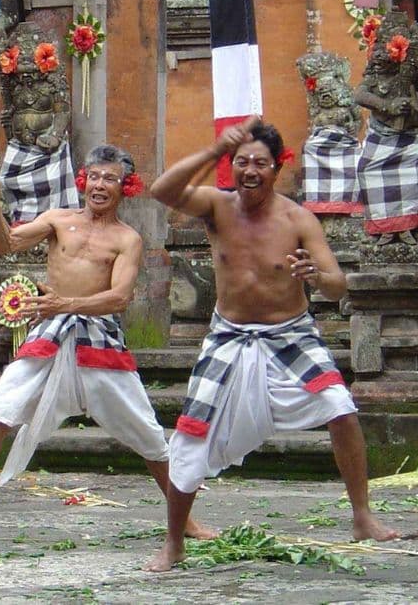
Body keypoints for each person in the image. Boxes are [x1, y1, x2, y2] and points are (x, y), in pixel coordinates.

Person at [144, 118, 400, 572]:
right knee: (189, 434)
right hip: (228, 335)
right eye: (241, 162)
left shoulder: (297, 218)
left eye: (259, 163)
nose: (250, 171)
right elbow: (161, 191)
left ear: (275, 169)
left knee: (340, 406)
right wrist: (210, 150)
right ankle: (174, 543)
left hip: (291, 334)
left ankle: (362, 516)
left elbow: (338, 285)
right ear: (232, 166)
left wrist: (316, 278)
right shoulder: (216, 206)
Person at [0, 145, 214, 549]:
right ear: (83, 180)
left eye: (110, 178)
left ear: (125, 186)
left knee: (150, 438)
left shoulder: (127, 239)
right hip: (49, 336)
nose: (100, 185)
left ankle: (184, 519)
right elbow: (7, 244)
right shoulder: (59, 221)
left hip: (100, 341)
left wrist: (67, 303)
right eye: (94, 176)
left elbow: (118, 298)